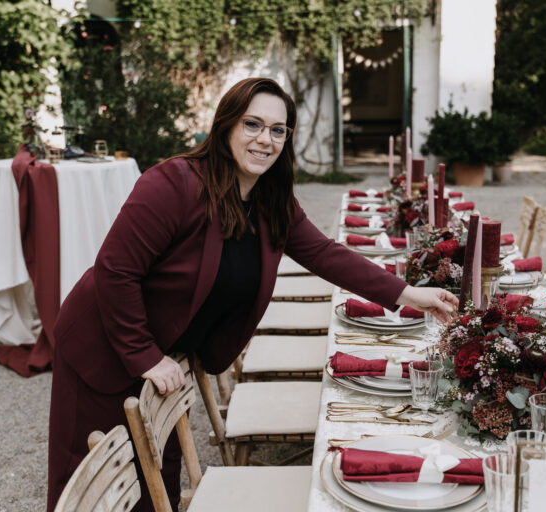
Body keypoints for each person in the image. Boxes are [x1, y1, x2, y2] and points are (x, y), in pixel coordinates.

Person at [46, 77, 458, 511]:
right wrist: (144, 354)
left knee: (155, 483)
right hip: (103, 345)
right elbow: (115, 271)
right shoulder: (172, 183)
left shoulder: (269, 199)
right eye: (253, 124)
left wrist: (408, 293)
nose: (266, 139)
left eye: (278, 130)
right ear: (226, 125)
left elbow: (324, 253)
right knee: (93, 485)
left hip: (168, 355)